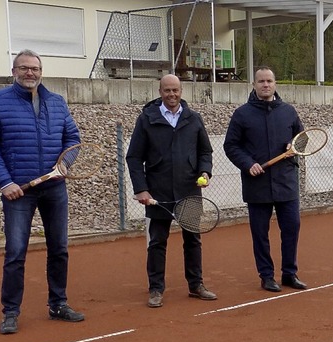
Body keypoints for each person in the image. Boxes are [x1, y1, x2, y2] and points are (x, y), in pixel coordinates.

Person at [0, 49, 85, 335]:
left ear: (41, 72)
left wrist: (64, 165)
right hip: (18, 193)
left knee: (59, 249)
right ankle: (11, 312)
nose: (30, 73)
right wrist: (5, 182)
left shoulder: (57, 102)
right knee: (15, 253)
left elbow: (73, 138)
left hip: (54, 189)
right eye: (24, 68)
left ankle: (58, 304)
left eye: (35, 68)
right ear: (14, 72)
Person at [126, 74, 217, 308]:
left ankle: (196, 285)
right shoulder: (147, 119)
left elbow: (205, 152)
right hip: (158, 192)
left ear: (181, 91)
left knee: (193, 241)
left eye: (175, 90)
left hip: (189, 190)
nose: (172, 94)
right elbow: (134, 157)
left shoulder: (194, 119)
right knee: (157, 242)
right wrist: (141, 189)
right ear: (160, 92)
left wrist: (205, 172)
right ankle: (156, 289)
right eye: (167, 90)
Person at [223, 66, 308, 292]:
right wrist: (247, 163)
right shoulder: (242, 114)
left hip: (286, 183)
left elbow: (302, 138)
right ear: (254, 85)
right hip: (257, 185)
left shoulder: (288, 112)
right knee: (260, 234)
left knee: (292, 228)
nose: (265, 85)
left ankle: (290, 273)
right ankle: (267, 276)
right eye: (261, 81)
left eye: (269, 81)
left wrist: (294, 145)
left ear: (275, 84)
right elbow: (230, 145)